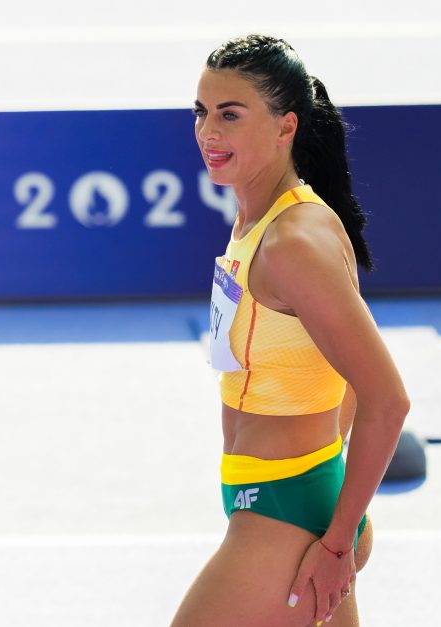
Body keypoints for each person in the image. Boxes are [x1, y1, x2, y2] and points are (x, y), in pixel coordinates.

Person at [172, 34, 410, 627]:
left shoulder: (292, 242)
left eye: (231, 114)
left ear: (286, 127)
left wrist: (332, 540)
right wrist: (326, 484)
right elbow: (340, 372)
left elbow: (386, 397)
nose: (208, 132)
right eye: (201, 112)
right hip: (290, 497)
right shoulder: (266, 218)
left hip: (285, 515)